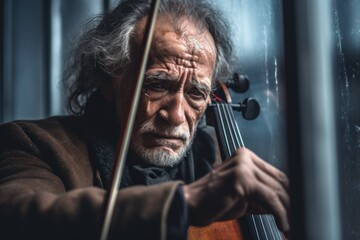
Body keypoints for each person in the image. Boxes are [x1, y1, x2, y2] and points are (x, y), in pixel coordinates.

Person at [0, 0, 290, 239]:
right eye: (158, 85)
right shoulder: (34, 144)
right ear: (108, 78)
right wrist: (183, 203)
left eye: (196, 93)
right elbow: (16, 217)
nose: (175, 115)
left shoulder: (221, 166)